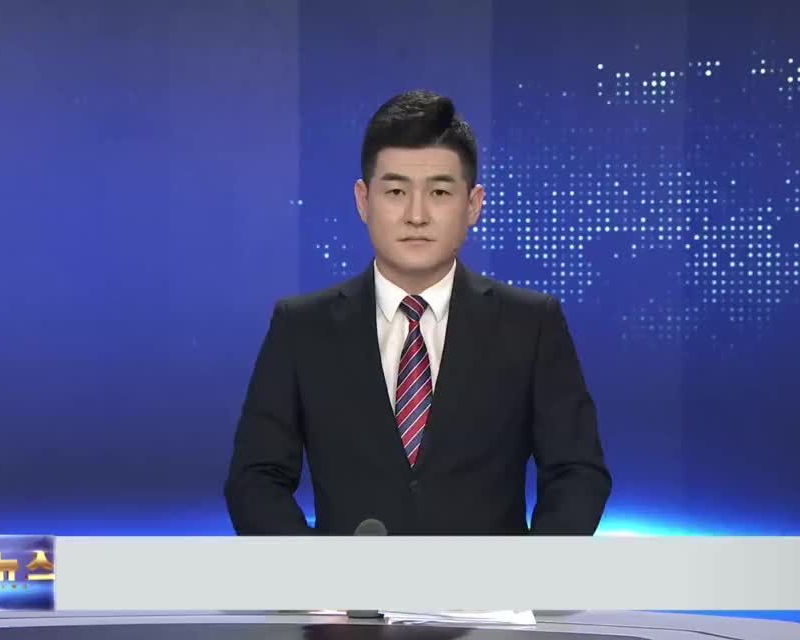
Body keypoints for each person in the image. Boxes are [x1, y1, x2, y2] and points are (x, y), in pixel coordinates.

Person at [225, 89, 610, 535]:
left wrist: (529, 573)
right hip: (348, 581)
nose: (416, 215)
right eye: (395, 191)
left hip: (490, 581)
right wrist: (316, 572)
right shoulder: (301, 327)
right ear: (363, 201)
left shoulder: (531, 324)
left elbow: (577, 474)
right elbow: (255, 480)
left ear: (473, 205)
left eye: (440, 192)